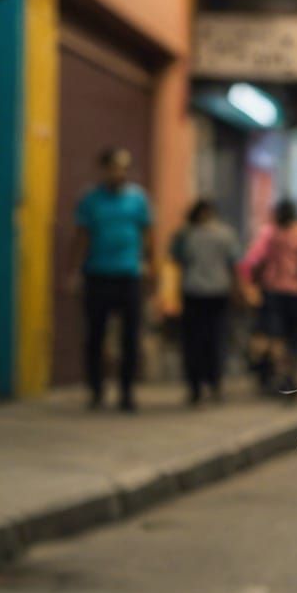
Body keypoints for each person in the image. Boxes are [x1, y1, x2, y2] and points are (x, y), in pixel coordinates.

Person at [72, 147, 153, 411]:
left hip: (128, 274)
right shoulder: (91, 200)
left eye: (125, 167)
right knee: (95, 335)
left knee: (130, 337)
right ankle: (96, 389)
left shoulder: (138, 199)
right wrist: (74, 271)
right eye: (115, 167)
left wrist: (151, 266)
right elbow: (81, 235)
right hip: (97, 274)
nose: (120, 173)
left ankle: (126, 391)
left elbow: (147, 233)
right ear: (104, 169)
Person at [238, 199, 297, 396]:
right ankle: (291, 375)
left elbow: (253, 261)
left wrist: (252, 283)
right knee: (295, 337)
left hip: (272, 291)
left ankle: (281, 374)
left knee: (276, 336)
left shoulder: (269, 233)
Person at [169, 199, 239, 404]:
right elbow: (233, 263)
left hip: (194, 291)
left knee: (195, 341)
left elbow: (176, 257)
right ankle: (213, 383)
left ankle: (198, 386)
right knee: (215, 339)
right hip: (217, 291)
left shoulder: (185, 234)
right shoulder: (225, 234)